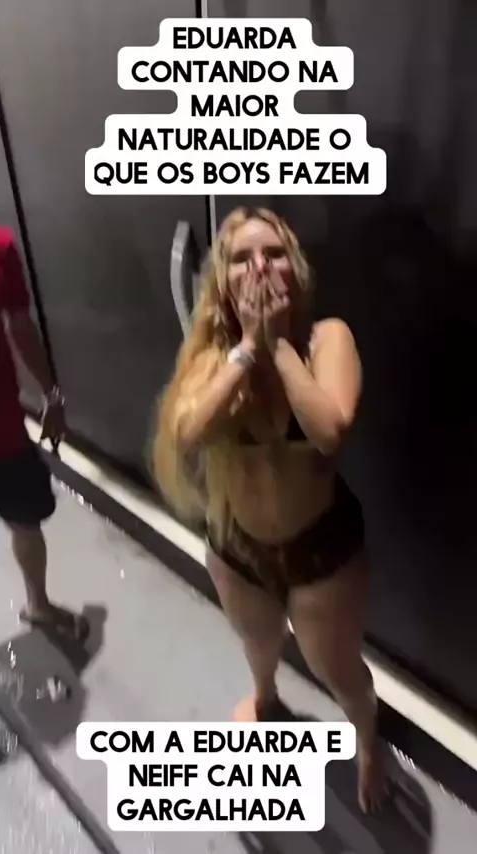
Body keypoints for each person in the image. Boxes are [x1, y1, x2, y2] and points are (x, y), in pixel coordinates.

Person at [153, 207, 386, 812]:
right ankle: (265, 697)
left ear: (296, 268)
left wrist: (277, 344)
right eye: (241, 258)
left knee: (339, 671)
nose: (259, 266)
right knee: (257, 643)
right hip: (239, 546)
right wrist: (246, 350)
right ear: (222, 278)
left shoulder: (326, 339)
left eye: (274, 253)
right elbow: (188, 434)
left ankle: (367, 740)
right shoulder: (213, 353)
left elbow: (329, 430)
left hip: (320, 550)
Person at [0, 225, 88, 641]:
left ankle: (38, 606)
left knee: (26, 520)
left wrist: (52, 396)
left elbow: (20, 327)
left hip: (3, 428)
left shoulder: (1, 247)